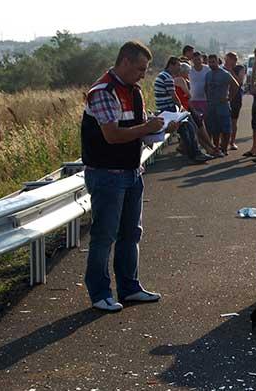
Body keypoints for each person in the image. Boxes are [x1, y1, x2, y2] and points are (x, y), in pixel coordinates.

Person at [81, 41, 178, 312]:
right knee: (104, 235)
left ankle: (129, 288)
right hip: (107, 174)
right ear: (124, 61)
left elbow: (138, 130)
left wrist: (163, 126)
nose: (142, 75)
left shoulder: (133, 91)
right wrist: (146, 127)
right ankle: (100, 293)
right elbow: (112, 135)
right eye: (139, 68)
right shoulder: (103, 91)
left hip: (131, 172)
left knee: (130, 234)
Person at [155, 57, 209, 163]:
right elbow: (174, 96)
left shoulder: (163, 75)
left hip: (165, 108)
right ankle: (194, 155)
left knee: (189, 127)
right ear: (172, 65)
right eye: (178, 65)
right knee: (188, 128)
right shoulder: (167, 77)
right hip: (169, 109)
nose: (179, 68)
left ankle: (196, 153)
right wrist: (181, 108)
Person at [205, 54, 238, 155]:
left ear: (217, 62)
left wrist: (229, 98)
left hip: (222, 106)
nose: (211, 64)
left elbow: (235, 85)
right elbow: (206, 87)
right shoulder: (208, 74)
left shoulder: (224, 74)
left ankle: (224, 148)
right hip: (211, 105)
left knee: (226, 129)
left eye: (213, 62)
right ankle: (216, 148)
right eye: (209, 62)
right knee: (214, 129)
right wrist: (208, 99)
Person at [189, 52, 219, 156]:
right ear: (192, 60)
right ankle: (204, 147)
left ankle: (210, 147)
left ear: (202, 59)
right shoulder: (190, 70)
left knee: (208, 124)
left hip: (206, 100)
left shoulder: (207, 69)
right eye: (195, 59)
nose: (197, 61)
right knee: (198, 126)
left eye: (198, 59)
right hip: (193, 100)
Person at [223, 52, 243, 151]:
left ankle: (232, 142)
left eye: (228, 59)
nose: (226, 61)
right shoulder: (222, 69)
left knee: (233, 121)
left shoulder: (239, 68)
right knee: (223, 121)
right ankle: (224, 142)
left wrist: (231, 71)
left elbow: (240, 82)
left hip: (236, 98)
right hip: (224, 97)